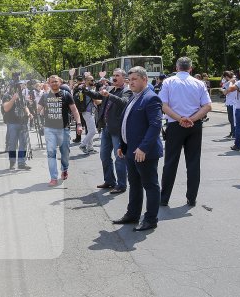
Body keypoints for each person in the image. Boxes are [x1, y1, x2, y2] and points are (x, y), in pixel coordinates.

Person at [112, 67, 164, 231]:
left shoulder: (151, 98)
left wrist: (143, 148)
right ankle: (133, 214)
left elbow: (155, 126)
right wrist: (123, 145)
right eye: (129, 79)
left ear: (144, 79)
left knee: (150, 185)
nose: (131, 82)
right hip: (130, 151)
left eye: (134, 79)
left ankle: (150, 219)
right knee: (134, 184)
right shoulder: (134, 97)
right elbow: (128, 123)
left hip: (144, 153)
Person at [158, 57, 212, 207]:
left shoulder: (168, 82)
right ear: (191, 68)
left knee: (170, 162)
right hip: (194, 126)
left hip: (175, 125)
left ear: (177, 67)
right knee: (193, 162)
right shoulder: (199, 83)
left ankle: (164, 197)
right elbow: (207, 106)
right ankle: (192, 197)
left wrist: (180, 118)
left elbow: (163, 105)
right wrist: (192, 119)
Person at [84, 68, 132, 194]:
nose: (114, 77)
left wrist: (109, 95)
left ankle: (121, 184)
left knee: (119, 157)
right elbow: (97, 95)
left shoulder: (127, 91)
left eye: (117, 75)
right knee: (104, 156)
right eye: (113, 75)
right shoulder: (110, 89)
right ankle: (110, 181)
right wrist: (85, 89)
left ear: (124, 78)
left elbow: (124, 103)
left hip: (117, 130)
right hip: (105, 128)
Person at [38, 75, 82, 186]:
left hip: (64, 129)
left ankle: (64, 168)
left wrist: (79, 124)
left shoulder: (66, 95)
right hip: (49, 129)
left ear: (60, 82)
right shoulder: (45, 96)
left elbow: (75, 111)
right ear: (48, 83)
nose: (54, 83)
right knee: (51, 153)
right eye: (51, 82)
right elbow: (38, 110)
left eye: (56, 81)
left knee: (65, 153)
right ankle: (53, 177)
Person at [2, 80, 33, 170]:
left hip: (23, 122)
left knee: (23, 143)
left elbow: (25, 106)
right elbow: (6, 108)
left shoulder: (22, 95)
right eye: (19, 85)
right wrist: (13, 99)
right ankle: (12, 162)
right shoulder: (7, 96)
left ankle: (21, 163)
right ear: (13, 86)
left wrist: (29, 113)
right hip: (12, 123)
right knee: (12, 144)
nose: (21, 87)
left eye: (21, 85)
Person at [76, 75, 101, 154]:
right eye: (91, 80)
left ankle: (90, 148)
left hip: (88, 112)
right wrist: (105, 100)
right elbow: (96, 101)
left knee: (90, 130)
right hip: (88, 112)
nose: (93, 82)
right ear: (86, 81)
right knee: (93, 131)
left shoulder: (85, 89)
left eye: (93, 80)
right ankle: (83, 145)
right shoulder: (88, 91)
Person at [221, 71, 237, 139]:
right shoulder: (232, 81)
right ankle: (232, 132)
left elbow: (225, 92)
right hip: (231, 102)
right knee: (232, 119)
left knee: (232, 119)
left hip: (232, 102)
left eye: (224, 77)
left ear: (226, 77)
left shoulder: (231, 82)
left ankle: (234, 133)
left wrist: (222, 90)